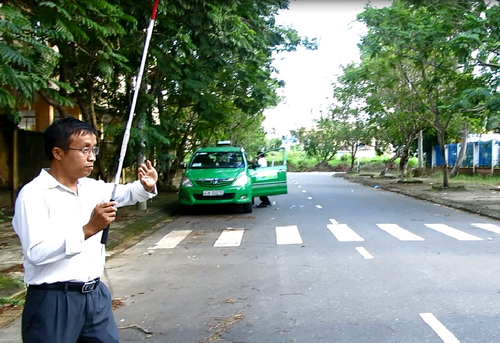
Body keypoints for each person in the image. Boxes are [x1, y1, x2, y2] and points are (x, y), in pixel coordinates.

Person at [12, 117, 158, 343]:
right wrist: (89, 229)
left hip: (95, 296)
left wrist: (145, 186)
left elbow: (127, 193)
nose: (91, 157)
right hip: (54, 301)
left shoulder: (90, 187)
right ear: (58, 153)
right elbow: (36, 252)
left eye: (93, 149)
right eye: (84, 150)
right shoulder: (33, 195)